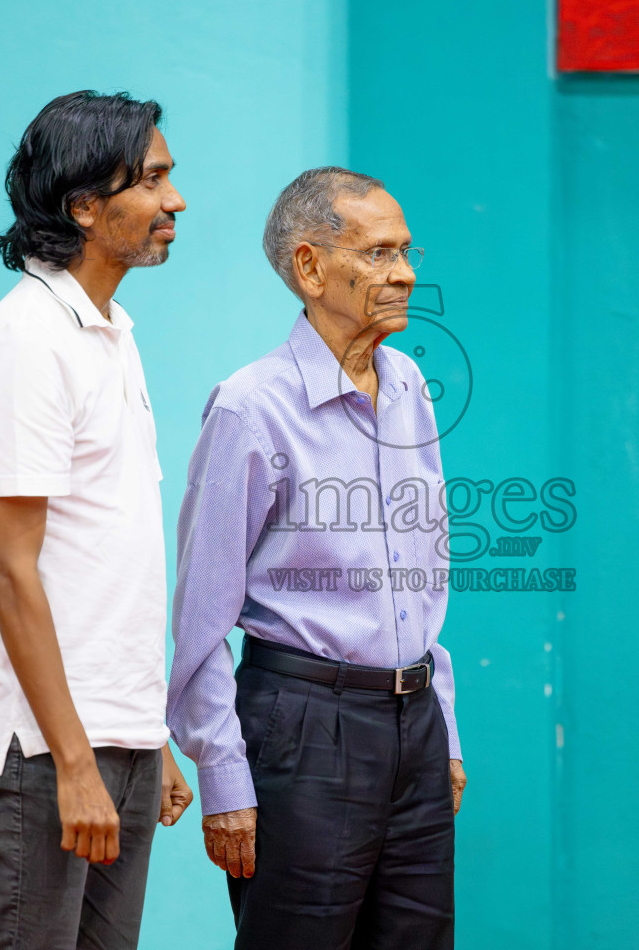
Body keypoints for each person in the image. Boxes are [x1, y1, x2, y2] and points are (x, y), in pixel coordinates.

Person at [168, 167, 466, 949]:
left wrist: (446, 725)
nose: (403, 272)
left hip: (414, 724)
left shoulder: (409, 386)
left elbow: (423, 575)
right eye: (376, 253)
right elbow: (202, 611)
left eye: (405, 251)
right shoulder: (250, 406)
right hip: (303, 728)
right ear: (309, 267)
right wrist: (223, 774)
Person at [0, 90, 194, 950]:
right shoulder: (28, 341)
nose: (176, 201)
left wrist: (145, 735)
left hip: (111, 738)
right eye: (154, 180)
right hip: (45, 752)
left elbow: (104, 559)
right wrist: (76, 763)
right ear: (85, 206)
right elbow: (10, 568)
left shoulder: (109, 333)